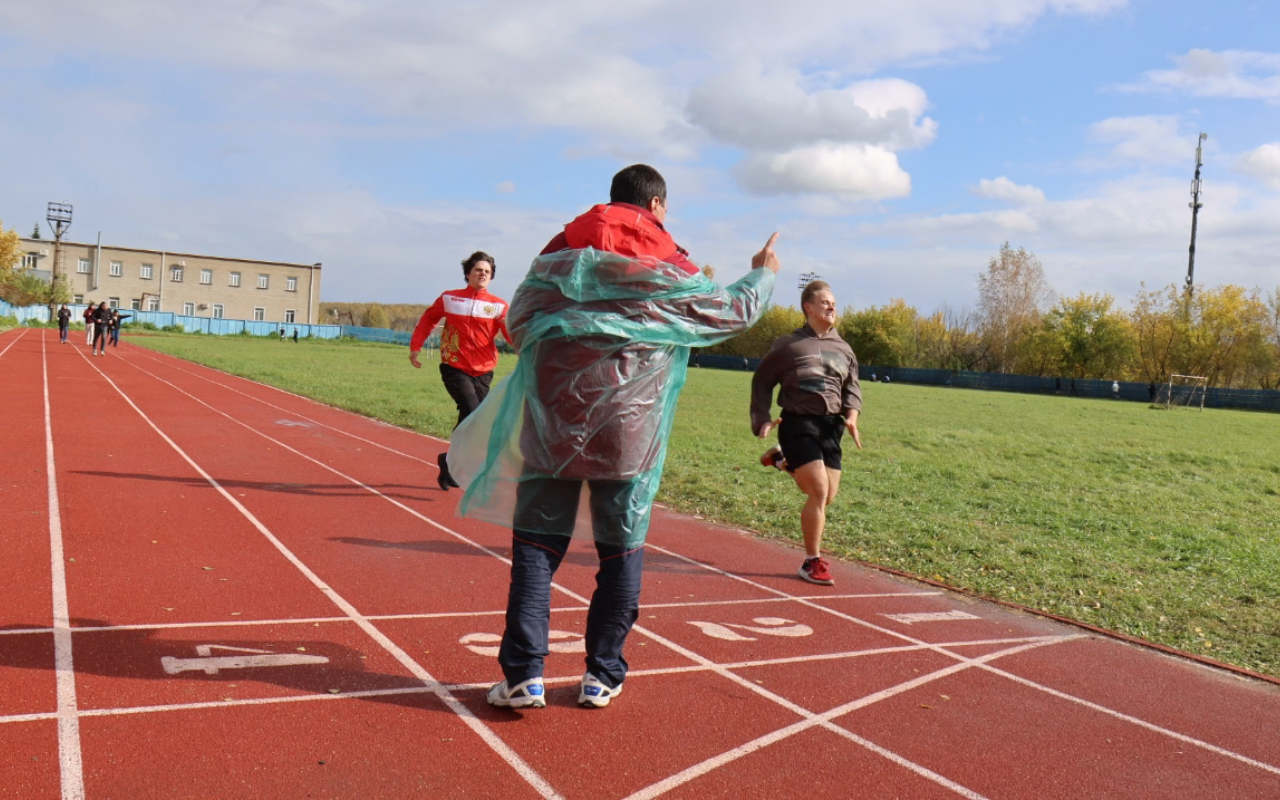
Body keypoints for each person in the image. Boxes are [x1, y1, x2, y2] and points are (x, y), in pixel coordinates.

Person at [451, 164, 778, 710]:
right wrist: (762, 274)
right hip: (630, 434)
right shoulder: (670, 263)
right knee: (620, 551)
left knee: (536, 547)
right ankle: (602, 675)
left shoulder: (560, 251)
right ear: (656, 207)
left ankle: (523, 677)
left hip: (553, 426)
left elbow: (519, 321)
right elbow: (729, 313)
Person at [750, 281, 862, 586]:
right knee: (818, 492)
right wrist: (761, 418)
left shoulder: (844, 349)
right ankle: (812, 561)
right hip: (798, 423)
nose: (831, 307)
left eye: (834, 303)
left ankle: (779, 460)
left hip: (831, 427)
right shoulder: (788, 346)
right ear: (808, 308)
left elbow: (852, 388)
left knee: (828, 496)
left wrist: (851, 416)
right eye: (825, 302)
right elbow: (761, 381)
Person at [409, 251, 511, 491]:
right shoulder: (450, 298)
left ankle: (448, 464)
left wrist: (527, 350)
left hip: (484, 370)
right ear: (468, 274)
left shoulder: (498, 306)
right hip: (454, 366)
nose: (483, 274)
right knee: (472, 411)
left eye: (487, 271)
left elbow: (510, 334)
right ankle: (451, 463)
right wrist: (416, 346)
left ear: (491, 276)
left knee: (474, 421)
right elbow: (428, 320)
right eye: (478, 270)